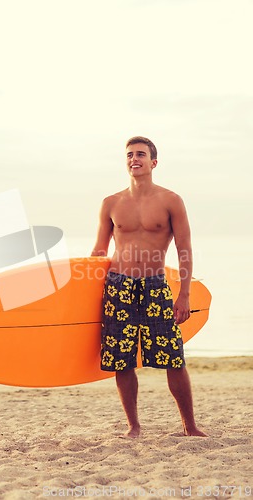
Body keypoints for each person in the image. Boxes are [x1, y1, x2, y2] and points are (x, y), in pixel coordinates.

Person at [91, 136, 207, 438]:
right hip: (118, 287)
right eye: (129, 155)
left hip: (155, 286)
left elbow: (184, 250)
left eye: (141, 154)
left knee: (173, 356)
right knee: (122, 359)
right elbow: (99, 252)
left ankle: (190, 426)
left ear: (153, 162)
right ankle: (134, 426)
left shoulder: (170, 200)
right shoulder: (111, 203)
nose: (134, 159)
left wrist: (184, 294)